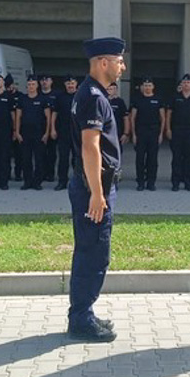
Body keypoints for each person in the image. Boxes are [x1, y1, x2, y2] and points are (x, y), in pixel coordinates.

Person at [67, 37, 126, 343]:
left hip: (91, 184)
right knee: (93, 252)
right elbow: (90, 147)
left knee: (89, 250)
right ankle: (81, 319)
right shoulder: (94, 97)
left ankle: (82, 312)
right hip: (94, 186)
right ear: (104, 63)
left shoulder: (91, 93)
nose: (122, 67)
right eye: (118, 61)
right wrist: (97, 193)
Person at [166, 73, 190, 192]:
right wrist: (168, 129)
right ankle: (175, 183)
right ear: (181, 85)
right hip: (177, 130)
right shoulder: (174, 97)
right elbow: (168, 115)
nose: (186, 84)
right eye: (184, 82)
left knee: (189, 158)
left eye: (188, 82)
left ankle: (188, 183)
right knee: (176, 158)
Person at [15, 75, 50, 191]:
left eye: (33, 84)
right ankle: (27, 181)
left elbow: (48, 117)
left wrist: (46, 133)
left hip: (39, 133)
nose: (31, 86)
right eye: (29, 84)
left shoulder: (42, 99)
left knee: (39, 159)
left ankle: (37, 182)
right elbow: (18, 117)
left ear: (37, 85)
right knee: (26, 159)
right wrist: (17, 132)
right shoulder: (22, 99)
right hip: (25, 133)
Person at [130, 77, 164, 191]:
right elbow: (132, 118)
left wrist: (161, 134)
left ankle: (151, 182)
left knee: (152, 159)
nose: (147, 87)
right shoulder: (137, 99)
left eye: (149, 85)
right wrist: (133, 134)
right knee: (140, 158)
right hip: (141, 131)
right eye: (145, 85)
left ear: (153, 87)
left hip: (154, 131)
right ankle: (140, 182)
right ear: (142, 87)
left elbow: (163, 118)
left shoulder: (158, 99)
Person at [52, 75, 77, 191]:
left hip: (78, 133)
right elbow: (54, 114)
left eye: (72, 83)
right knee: (63, 159)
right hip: (63, 132)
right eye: (68, 83)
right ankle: (62, 181)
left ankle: (79, 182)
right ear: (65, 85)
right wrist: (53, 128)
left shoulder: (80, 96)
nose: (70, 85)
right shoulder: (60, 97)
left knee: (78, 159)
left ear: (76, 84)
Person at [38, 75, 58, 182]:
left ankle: (50, 174)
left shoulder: (56, 95)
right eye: (42, 80)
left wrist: (53, 129)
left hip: (53, 129)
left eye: (47, 80)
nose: (44, 82)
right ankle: (41, 173)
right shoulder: (37, 94)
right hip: (40, 128)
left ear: (51, 82)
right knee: (40, 153)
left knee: (51, 153)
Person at [6, 75, 25, 182]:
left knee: (19, 154)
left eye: (10, 85)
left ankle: (18, 174)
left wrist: (16, 130)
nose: (9, 88)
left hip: (18, 129)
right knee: (6, 154)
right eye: (7, 86)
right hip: (6, 129)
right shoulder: (4, 96)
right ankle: (7, 174)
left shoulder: (20, 96)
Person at [107, 82, 130, 150]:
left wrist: (126, 133)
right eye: (109, 89)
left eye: (112, 89)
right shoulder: (103, 101)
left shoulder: (120, 102)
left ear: (116, 90)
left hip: (117, 132)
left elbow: (125, 118)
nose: (110, 90)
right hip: (105, 131)